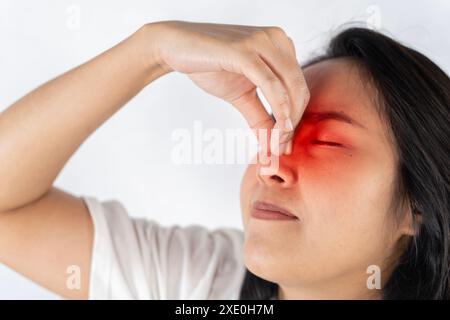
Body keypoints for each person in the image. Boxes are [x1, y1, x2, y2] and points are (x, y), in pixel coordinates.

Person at [0, 21, 448, 300]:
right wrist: (150, 52)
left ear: (417, 205)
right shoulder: (204, 283)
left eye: (327, 142)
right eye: (274, 129)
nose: (271, 162)